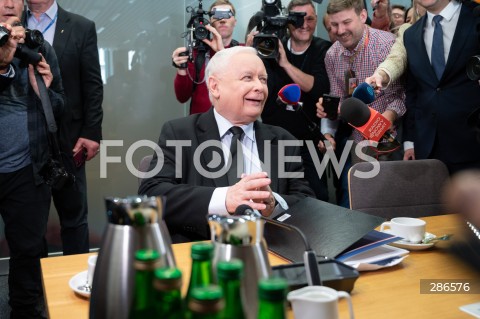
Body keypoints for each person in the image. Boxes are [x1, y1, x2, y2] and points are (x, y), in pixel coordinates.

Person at [139, 46, 315, 243]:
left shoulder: (284, 139)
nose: (259, 87)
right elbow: (153, 194)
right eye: (248, 78)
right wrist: (225, 199)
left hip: (269, 251)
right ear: (215, 86)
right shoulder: (180, 133)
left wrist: (274, 204)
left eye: (263, 79)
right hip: (202, 250)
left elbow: (307, 203)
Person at [0, 0, 65, 316]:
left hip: (29, 167)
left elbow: (61, 107)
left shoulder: (39, 48)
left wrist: (47, 92)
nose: (9, 2)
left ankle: (24, 309)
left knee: (27, 249)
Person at [26, 0, 104, 255]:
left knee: (73, 217)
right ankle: (37, 288)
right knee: (31, 223)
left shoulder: (81, 27)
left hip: (70, 139)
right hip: (26, 140)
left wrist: (91, 133)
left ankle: (77, 279)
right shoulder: (13, 24)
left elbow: (92, 85)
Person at [254, 0, 331, 201]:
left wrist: (285, 64)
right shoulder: (270, 48)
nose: (304, 24)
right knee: (273, 197)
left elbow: (318, 87)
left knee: (316, 197)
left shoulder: (324, 50)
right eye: (297, 19)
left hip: (309, 142)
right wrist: (252, 52)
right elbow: (261, 90)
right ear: (287, 21)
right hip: (273, 141)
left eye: (310, 19)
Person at [316, 0, 406, 164]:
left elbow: (401, 95)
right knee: (360, 188)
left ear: (363, 16)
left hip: (393, 140)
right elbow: (339, 98)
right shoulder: (332, 55)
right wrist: (329, 114)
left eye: (346, 22)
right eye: (334, 25)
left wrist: (385, 120)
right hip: (359, 143)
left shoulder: (386, 45)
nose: (340, 30)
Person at [402, 0, 480, 173]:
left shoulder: (475, 16)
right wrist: (410, 141)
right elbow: (414, 92)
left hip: (473, 147)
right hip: (428, 150)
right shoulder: (410, 35)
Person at [171, 0, 239, 114]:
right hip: (200, 126)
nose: (222, 20)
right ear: (210, 22)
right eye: (216, 15)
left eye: (227, 14)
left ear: (235, 21)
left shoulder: (243, 52)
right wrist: (181, 68)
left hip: (234, 123)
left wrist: (221, 53)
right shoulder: (197, 53)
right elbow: (182, 97)